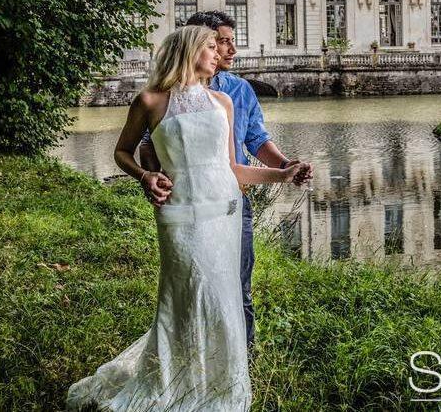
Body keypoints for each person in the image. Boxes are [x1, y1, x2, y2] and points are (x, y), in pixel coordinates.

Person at [67, 25, 306, 411]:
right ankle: (171, 378)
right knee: (186, 293)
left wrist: (281, 174)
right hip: (179, 213)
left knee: (221, 296)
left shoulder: (223, 103)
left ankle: (217, 381)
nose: (219, 53)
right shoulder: (149, 101)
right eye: (211, 46)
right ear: (188, 50)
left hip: (222, 209)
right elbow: (123, 152)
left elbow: (231, 168)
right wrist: (145, 176)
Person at [138, 11, 312, 349]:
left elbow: (257, 140)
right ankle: (189, 356)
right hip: (187, 204)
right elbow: (148, 143)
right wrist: (149, 176)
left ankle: (239, 361)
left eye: (231, 42)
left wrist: (287, 166)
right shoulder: (163, 95)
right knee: (191, 284)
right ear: (198, 43)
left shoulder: (237, 90)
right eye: (222, 42)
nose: (229, 50)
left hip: (233, 198)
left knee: (238, 286)